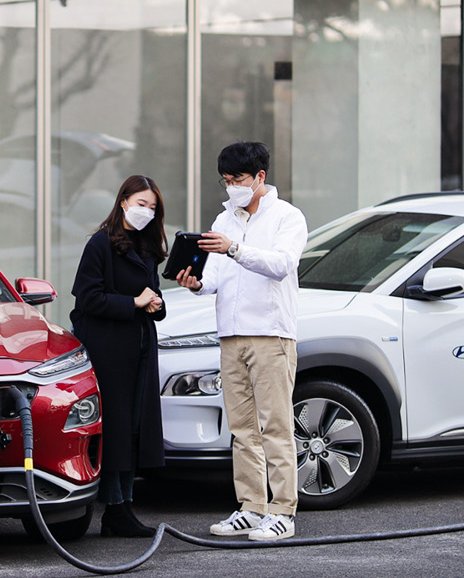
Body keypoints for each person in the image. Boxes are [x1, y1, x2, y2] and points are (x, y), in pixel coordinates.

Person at [175, 141, 307, 541]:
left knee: (276, 425)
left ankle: (283, 510)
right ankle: (251, 506)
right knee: (242, 428)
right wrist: (195, 283)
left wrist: (234, 248)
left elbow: (282, 265)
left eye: (238, 179)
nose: (231, 186)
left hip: (271, 335)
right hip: (230, 336)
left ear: (260, 177)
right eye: (226, 180)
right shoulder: (224, 218)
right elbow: (214, 277)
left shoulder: (288, 217)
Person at [70, 174, 168, 537]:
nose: (147, 211)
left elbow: (151, 295)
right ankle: (114, 506)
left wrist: (155, 305)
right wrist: (134, 303)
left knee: (135, 427)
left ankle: (124, 505)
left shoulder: (145, 246)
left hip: (139, 346)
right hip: (109, 348)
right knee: (116, 427)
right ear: (124, 201)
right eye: (141, 203)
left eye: (153, 207)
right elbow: (87, 299)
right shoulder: (100, 244)